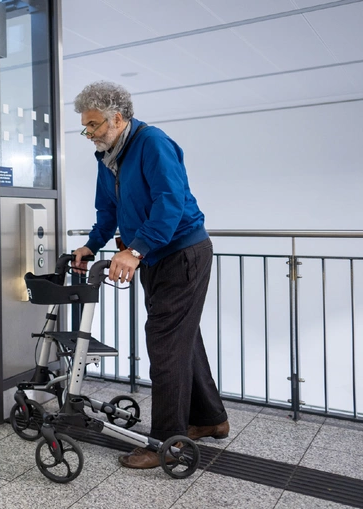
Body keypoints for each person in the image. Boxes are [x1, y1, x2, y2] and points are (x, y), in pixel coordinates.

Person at [71, 81, 229, 469]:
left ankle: (166, 443)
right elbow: (108, 211)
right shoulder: (108, 156)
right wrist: (92, 245)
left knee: (164, 343)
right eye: (85, 126)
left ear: (117, 118)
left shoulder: (152, 143)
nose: (88, 133)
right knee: (180, 338)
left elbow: (169, 203)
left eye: (93, 125)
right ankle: (210, 419)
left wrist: (135, 250)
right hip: (155, 255)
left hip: (182, 253)